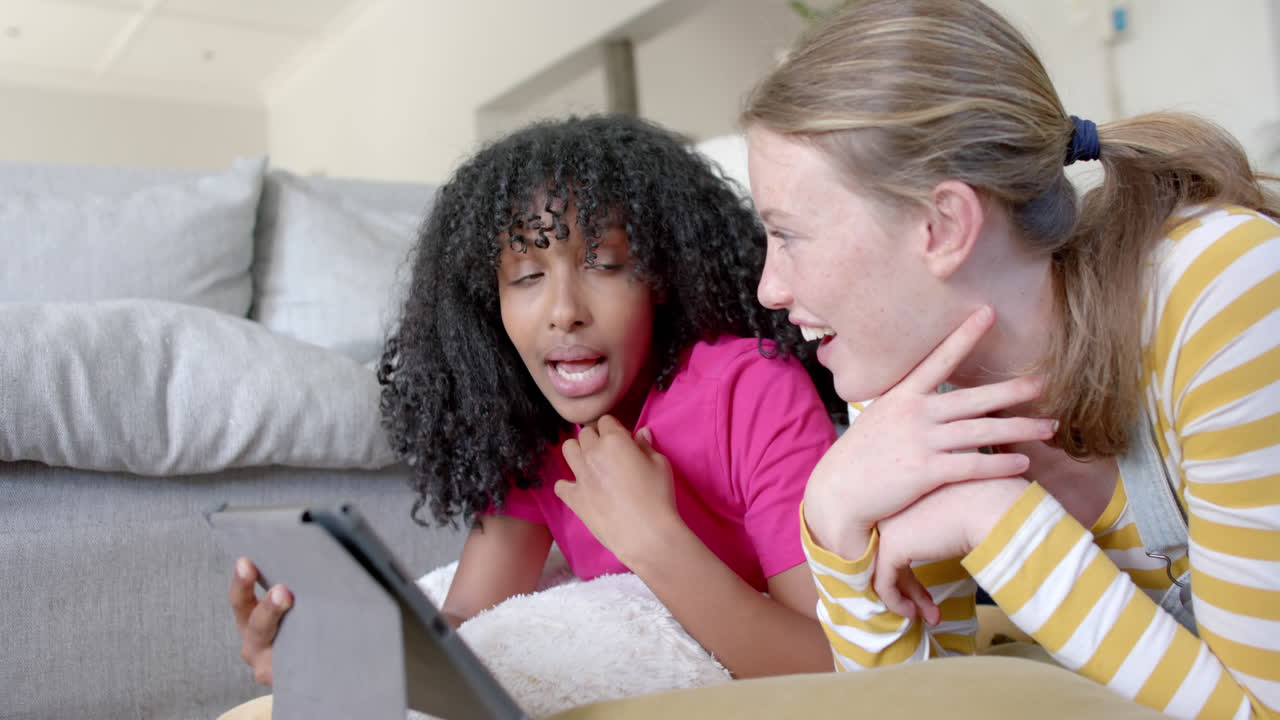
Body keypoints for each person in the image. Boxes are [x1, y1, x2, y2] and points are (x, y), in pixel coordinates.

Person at [735, 0, 1279, 717]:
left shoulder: (1221, 291)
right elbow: (927, 710)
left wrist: (999, 522)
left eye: (789, 235)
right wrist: (833, 524)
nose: (770, 288)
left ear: (943, 225)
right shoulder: (911, 394)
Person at [226, 114, 838, 692]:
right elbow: (467, 620)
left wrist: (651, 537)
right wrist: (323, 659)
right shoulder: (530, 425)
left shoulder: (750, 387)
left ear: (660, 276)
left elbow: (830, 666)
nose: (564, 310)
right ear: (487, 300)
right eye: (525, 276)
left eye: (604, 263)